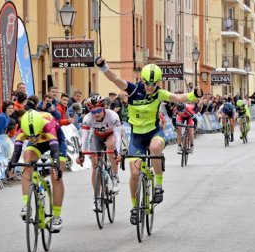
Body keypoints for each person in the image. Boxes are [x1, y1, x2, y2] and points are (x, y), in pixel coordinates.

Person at [95, 57, 202, 225]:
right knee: (135, 173)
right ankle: (134, 207)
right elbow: (114, 79)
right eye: (148, 83)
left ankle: (158, 186)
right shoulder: (131, 89)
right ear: (142, 81)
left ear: (158, 82)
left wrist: (195, 95)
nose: (151, 87)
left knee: (155, 147)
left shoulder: (159, 93)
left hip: (154, 132)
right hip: (136, 136)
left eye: (154, 84)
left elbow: (179, 98)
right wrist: (103, 67)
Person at [7, 110, 65, 232]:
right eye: (29, 137)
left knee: (56, 176)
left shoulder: (48, 125)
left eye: (35, 135)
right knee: (27, 163)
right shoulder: (23, 130)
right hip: (39, 145)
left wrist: (56, 166)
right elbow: (17, 151)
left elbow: (54, 150)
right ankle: (26, 205)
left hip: (56, 142)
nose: (33, 139)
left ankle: (57, 216)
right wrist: (11, 165)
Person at [76, 95, 122, 197]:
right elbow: (84, 138)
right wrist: (81, 154)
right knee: (95, 166)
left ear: (104, 108)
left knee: (110, 146)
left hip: (111, 135)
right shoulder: (87, 119)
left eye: (98, 111)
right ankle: (96, 197)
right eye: (93, 112)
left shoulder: (112, 115)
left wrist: (117, 152)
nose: (96, 114)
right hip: (97, 136)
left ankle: (114, 177)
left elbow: (118, 136)